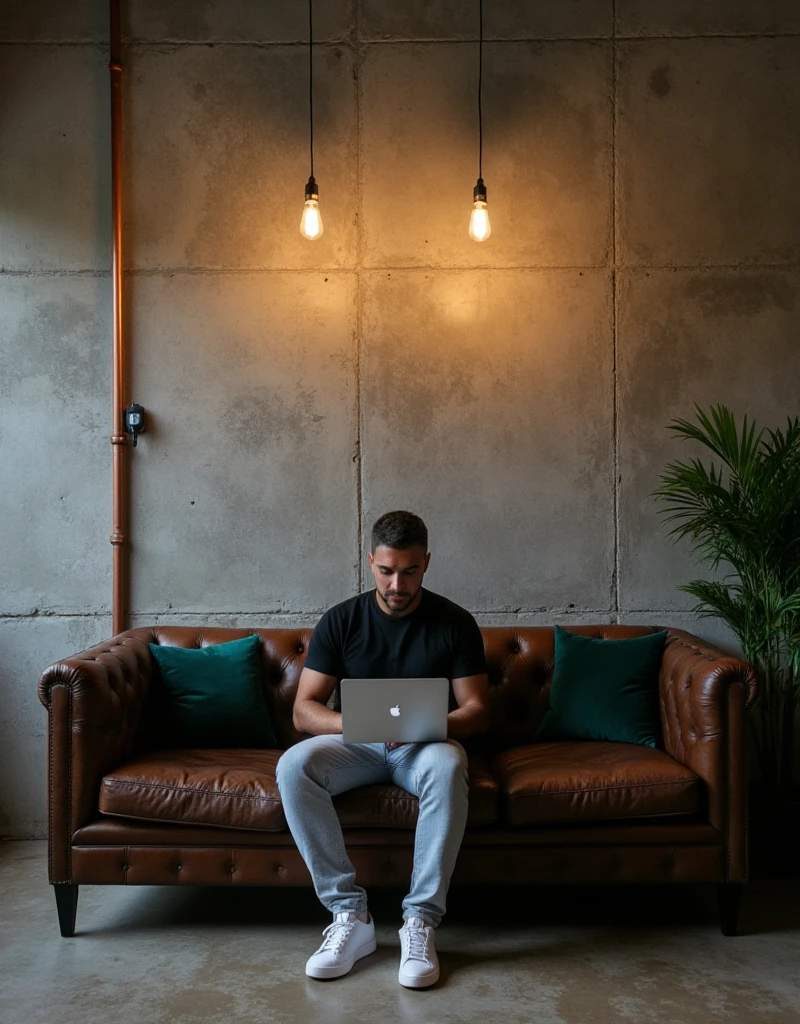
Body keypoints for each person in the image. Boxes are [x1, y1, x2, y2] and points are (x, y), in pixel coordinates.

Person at [276, 510, 489, 988]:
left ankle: (420, 922)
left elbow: (476, 710)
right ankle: (351, 916)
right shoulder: (342, 620)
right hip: (357, 743)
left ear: (427, 563)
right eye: (387, 570)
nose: (398, 584)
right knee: (294, 766)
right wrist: (354, 724)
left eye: (410, 571)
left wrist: (425, 727)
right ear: (371, 561)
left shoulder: (455, 623)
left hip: (424, 746)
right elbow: (303, 710)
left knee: (450, 761)